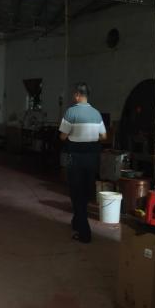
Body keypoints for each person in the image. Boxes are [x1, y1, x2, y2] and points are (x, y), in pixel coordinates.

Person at [59, 82, 107, 243]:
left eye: (74, 94)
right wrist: (90, 136)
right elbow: (104, 136)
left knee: (76, 193)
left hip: (76, 158)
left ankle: (84, 232)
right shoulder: (96, 113)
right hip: (92, 158)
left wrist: (76, 133)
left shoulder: (71, 112)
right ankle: (76, 221)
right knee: (86, 192)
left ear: (77, 95)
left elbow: (62, 136)